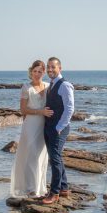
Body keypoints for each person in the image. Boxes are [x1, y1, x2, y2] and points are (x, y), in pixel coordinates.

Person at [9, 60, 50, 198]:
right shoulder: (26, 87)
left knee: (42, 157)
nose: (37, 74)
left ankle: (40, 188)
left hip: (45, 125)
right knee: (31, 156)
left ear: (44, 72)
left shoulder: (48, 86)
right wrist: (41, 112)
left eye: (40, 71)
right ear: (31, 72)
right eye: (35, 71)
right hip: (31, 126)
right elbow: (23, 109)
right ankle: (30, 189)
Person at [41, 56, 74, 204]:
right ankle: (64, 188)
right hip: (49, 126)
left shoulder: (65, 85)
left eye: (53, 67)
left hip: (58, 128)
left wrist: (60, 127)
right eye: (48, 67)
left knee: (54, 159)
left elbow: (69, 108)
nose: (50, 70)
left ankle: (54, 193)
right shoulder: (51, 85)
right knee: (57, 158)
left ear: (59, 68)